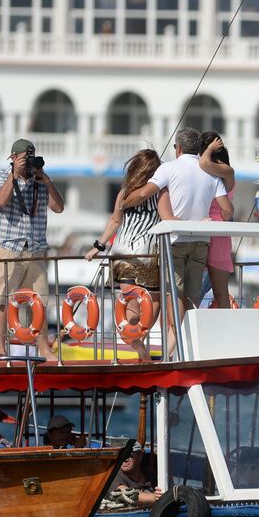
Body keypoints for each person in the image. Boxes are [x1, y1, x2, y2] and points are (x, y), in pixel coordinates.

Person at [130, 128, 232, 310]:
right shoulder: (213, 174)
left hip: (176, 239)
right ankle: (186, 335)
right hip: (203, 239)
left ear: (178, 148)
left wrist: (124, 202)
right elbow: (228, 210)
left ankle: (174, 336)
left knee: (174, 292)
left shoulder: (169, 168)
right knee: (194, 296)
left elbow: (146, 192)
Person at [0, 138, 63, 360]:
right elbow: (1, 200)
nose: (29, 163)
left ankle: (44, 349)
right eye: (24, 159)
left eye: (31, 158)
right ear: (13, 158)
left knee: (39, 300)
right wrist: (14, 174)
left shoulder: (39, 181)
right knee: (1, 299)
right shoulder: (0, 176)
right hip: (9, 246)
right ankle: (0, 349)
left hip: (36, 248)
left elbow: (58, 207)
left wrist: (47, 181)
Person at [87, 150, 164, 361]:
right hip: (149, 253)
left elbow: (115, 220)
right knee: (154, 300)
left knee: (130, 302)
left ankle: (136, 340)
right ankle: (140, 336)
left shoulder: (124, 193)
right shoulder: (161, 193)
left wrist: (99, 246)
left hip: (122, 253)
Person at [199, 132, 237, 309]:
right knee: (219, 292)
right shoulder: (216, 171)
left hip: (210, 231)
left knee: (217, 293)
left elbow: (204, 163)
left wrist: (208, 150)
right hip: (217, 232)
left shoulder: (224, 170)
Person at [105, 442, 162, 509]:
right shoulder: (114, 476)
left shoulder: (150, 474)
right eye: (121, 456)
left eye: (130, 456)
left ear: (140, 456)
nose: (125, 460)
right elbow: (126, 494)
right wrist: (158, 498)